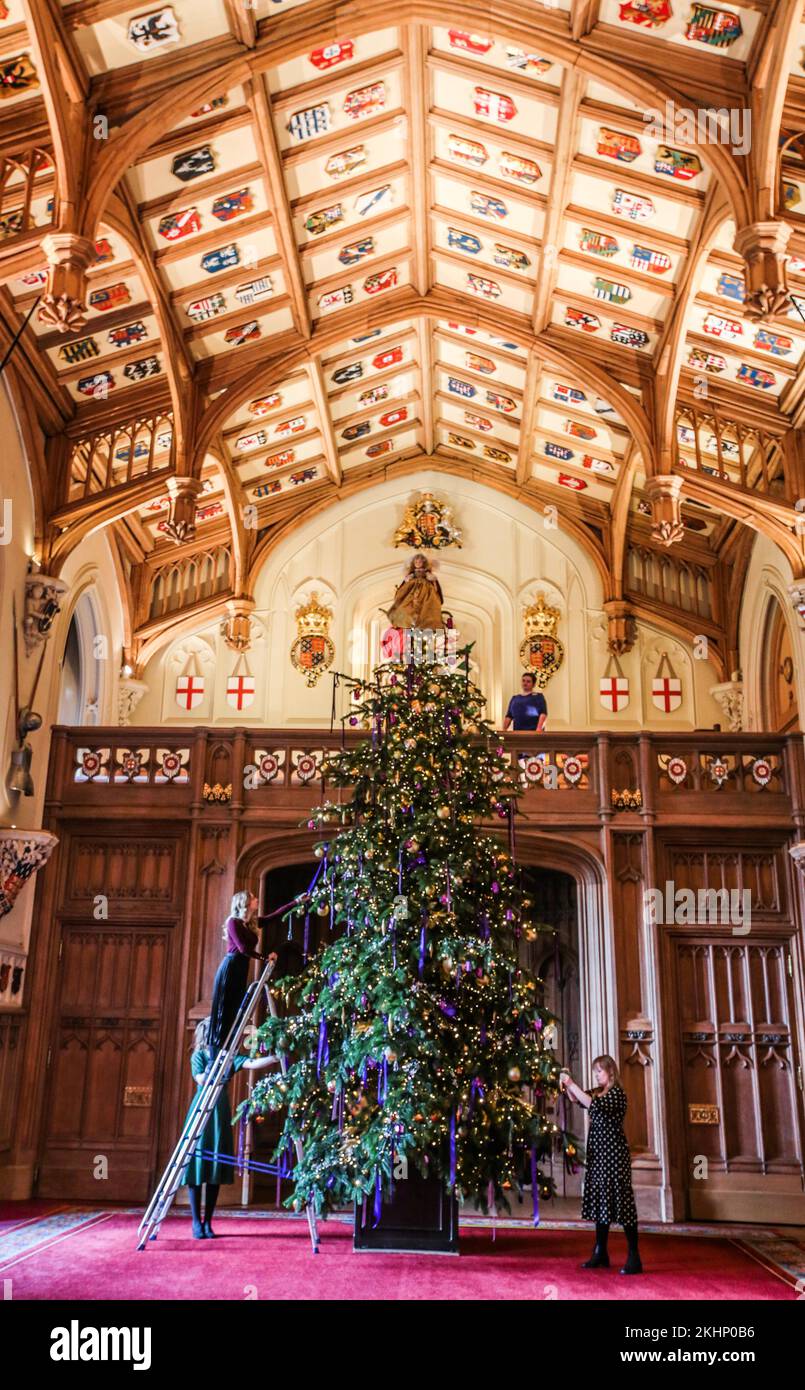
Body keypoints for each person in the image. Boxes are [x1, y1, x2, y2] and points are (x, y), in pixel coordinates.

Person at [181, 1017, 273, 1239]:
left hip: (219, 1115)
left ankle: (208, 1221)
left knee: (214, 1168)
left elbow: (250, 1063)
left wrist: (274, 1058)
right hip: (202, 1112)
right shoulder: (199, 1056)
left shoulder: (228, 1057)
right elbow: (201, 1078)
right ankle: (196, 1221)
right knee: (197, 1167)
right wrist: (216, 1067)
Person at [560, 1056, 642, 1275]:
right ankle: (600, 1252)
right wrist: (566, 1083)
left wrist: (571, 1084)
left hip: (614, 1156)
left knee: (622, 1203)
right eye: (595, 1071)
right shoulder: (599, 1091)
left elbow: (591, 1104)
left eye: (600, 1071)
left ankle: (634, 1256)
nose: (597, 1075)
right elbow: (578, 1100)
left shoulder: (616, 1094)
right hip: (599, 1156)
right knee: (600, 1202)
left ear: (611, 1072)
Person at [209, 890, 268, 1053]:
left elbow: (273, 917)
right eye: (253, 897)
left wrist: (296, 903)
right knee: (224, 1010)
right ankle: (215, 1054)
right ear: (245, 902)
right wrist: (264, 958)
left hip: (241, 969)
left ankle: (228, 1049)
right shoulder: (233, 922)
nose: (256, 899)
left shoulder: (249, 924)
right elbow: (242, 948)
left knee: (235, 1010)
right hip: (230, 968)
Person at [385, 553, 444, 630]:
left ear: (423, 563)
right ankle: (408, 618)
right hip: (412, 589)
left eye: (420, 562)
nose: (418, 564)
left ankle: (424, 619)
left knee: (427, 603)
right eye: (416, 562)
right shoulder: (412, 574)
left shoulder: (426, 573)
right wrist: (409, 579)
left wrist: (431, 578)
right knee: (407, 603)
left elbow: (434, 582)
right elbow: (404, 584)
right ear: (413, 563)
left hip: (425, 590)